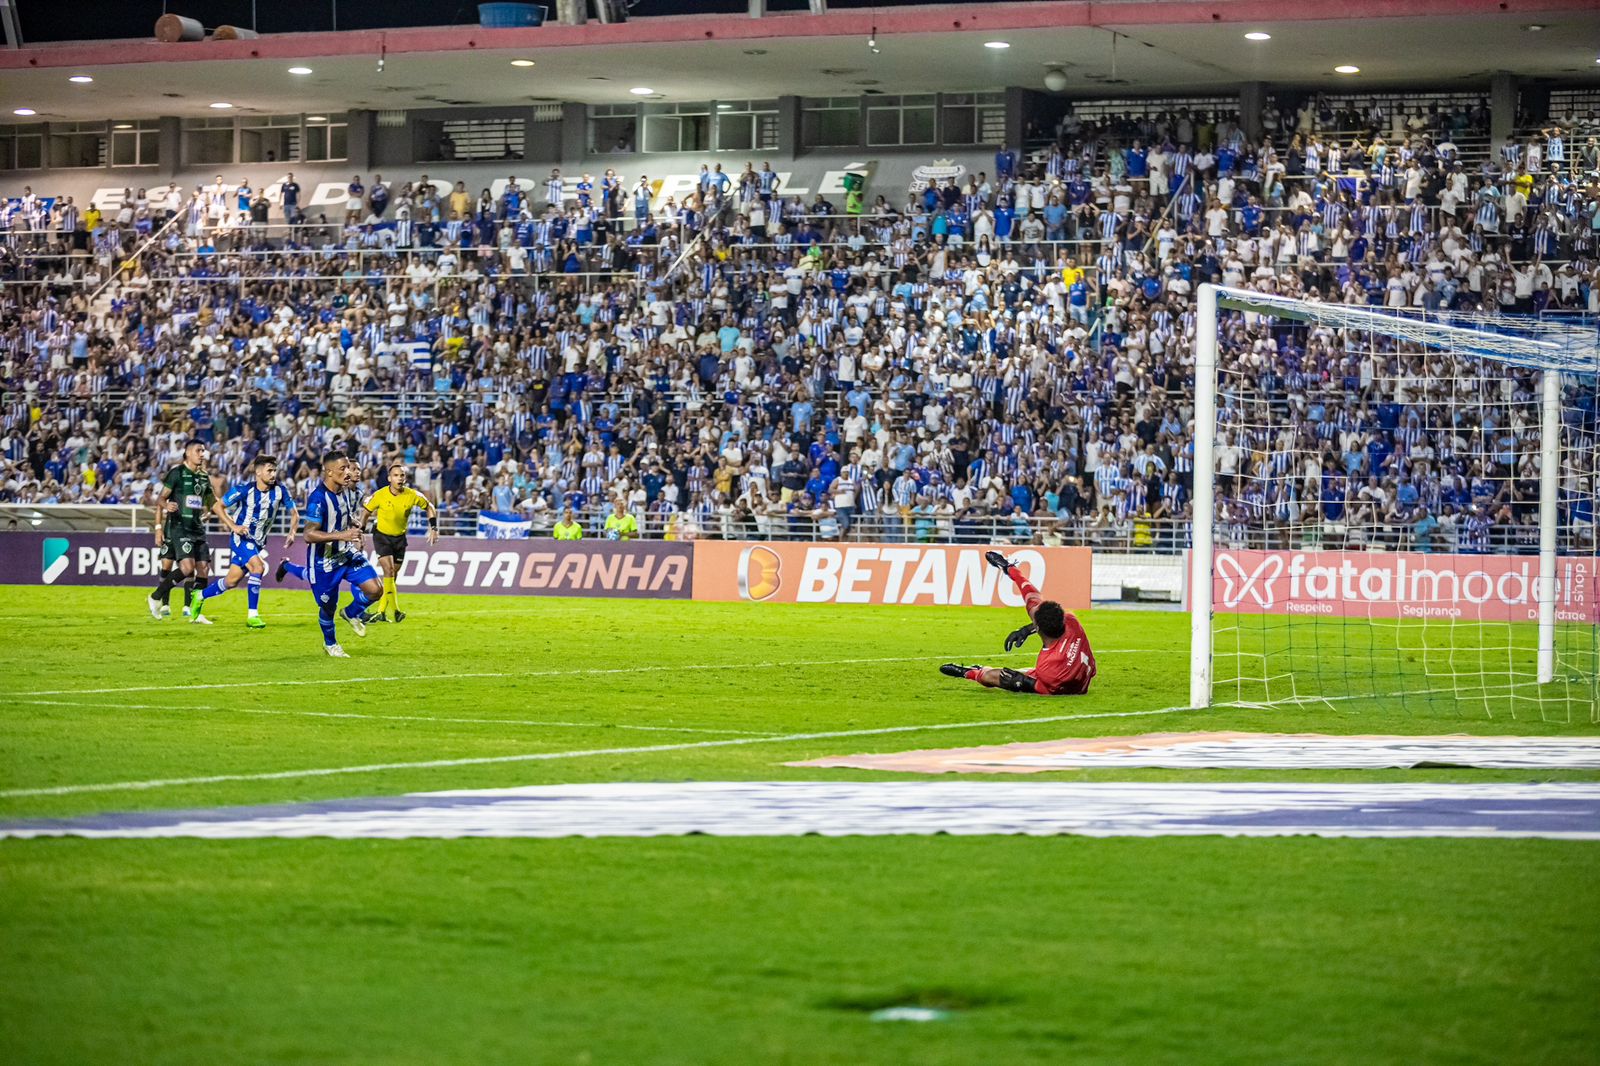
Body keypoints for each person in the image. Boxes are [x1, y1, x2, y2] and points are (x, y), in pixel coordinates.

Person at [940, 551, 1097, 695]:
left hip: (1068, 684)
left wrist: (1024, 683)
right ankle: (1009, 567)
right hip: (1076, 671)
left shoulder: (1047, 665)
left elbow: (1048, 690)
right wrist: (1025, 630)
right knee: (1033, 601)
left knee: (994, 676)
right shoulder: (1071, 622)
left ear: (1038, 627)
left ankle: (971, 672)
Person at [197, 454, 298, 629]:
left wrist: (292, 532)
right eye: (269, 470)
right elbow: (217, 506)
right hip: (241, 537)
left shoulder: (280, 491)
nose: (273, 474)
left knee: (231, 581)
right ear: (258, 472)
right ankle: (253, 616)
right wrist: (233, 526)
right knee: (258, 567)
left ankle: (198, 596)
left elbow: (294, 513)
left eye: (275, 470)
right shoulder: (244, 490)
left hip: (258, 542)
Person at [146, 440, 242, 624]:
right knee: (187, 568)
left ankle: (195, 613)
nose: (202, 454)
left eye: (203, 451)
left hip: (197, 529)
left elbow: (212, 502)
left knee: (204, 569)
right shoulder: (177, 473)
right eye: (198, 450)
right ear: (188, 452)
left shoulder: (203, 477)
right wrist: (166, 506)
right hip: (179, 527)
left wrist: (230, 522)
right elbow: (160, 499)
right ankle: (156, 597)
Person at [300, 452, 382, 658]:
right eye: (343, 469)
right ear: (329, 472)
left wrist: (353, 525)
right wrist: (343, 534)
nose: (348, 473)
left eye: (349, 468)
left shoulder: (343, 492)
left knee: (375, 590)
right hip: (324, 562)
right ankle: (331, 644)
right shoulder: (318, 499)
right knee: (328, 608)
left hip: (346, 554)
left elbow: (343, 515)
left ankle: (350, 613)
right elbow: (308, 535)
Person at [361, 462, 439, 623]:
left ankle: (383, 612)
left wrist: (433, 528)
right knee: (389, 571)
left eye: (402, 475)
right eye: (396, 475)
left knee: (392, 577)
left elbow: (430, 506)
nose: (399, 478)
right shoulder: (380, 495)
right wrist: (360, 531)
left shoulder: (412, 495)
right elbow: (366, 512)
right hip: (382, 536)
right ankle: (392, 611)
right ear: (389, 478)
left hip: (399, 538)